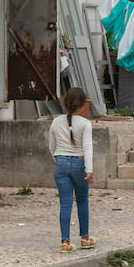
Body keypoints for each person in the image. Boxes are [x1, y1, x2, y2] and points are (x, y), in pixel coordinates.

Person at [48, 87, 95, 253]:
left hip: (60, 163)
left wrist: (59, 160)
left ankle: (65, 242)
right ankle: (85, 238)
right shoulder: (85, 124)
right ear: (83, 105)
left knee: (65, 203)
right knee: (82, 200)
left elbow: (51, 146)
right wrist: (89, 170)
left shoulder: (56, 122)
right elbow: (87, 147)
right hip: (79, 164)